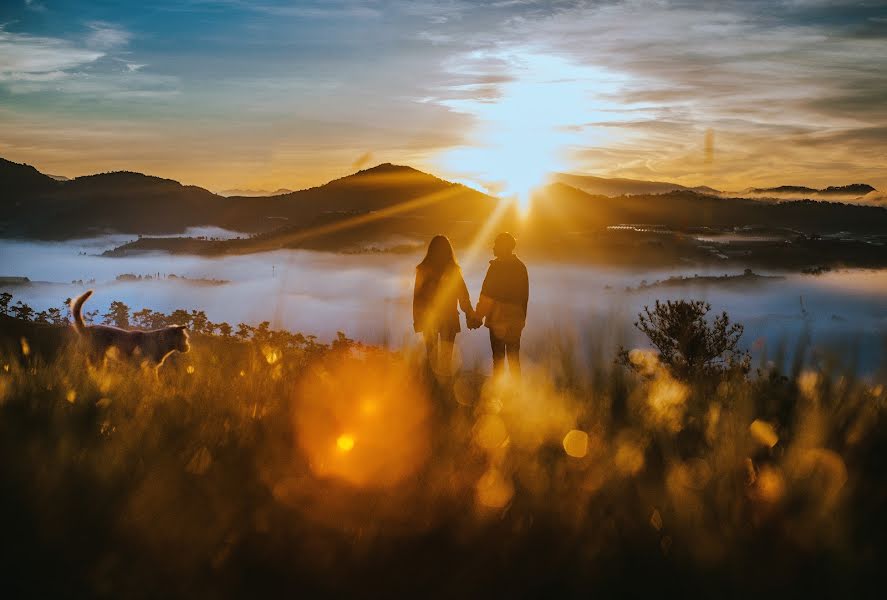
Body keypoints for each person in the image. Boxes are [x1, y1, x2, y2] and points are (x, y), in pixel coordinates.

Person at [413, 235, 477, 378]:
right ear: (449, 251)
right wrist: (470, 314)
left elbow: (417, 298)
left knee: (431, 356)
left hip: (428, 319)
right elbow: (463, 296)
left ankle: (431, 388)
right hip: (449, 318)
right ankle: (446, 388)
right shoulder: (453, 270)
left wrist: (417, 320)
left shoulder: (423, 269)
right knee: (446, 357)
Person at [475, 232, 528, 377]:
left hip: (497, 321)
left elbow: (487, 296)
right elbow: (524, 298)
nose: (493, 248)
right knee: (513, 359)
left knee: (498, 359)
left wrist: (477, 317)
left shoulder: (495, 268)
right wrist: (521, 321)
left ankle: (498, 394)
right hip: (515, 322)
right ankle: (516, 393)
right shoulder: (521, 267)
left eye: (496, 244)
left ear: (503, 247)